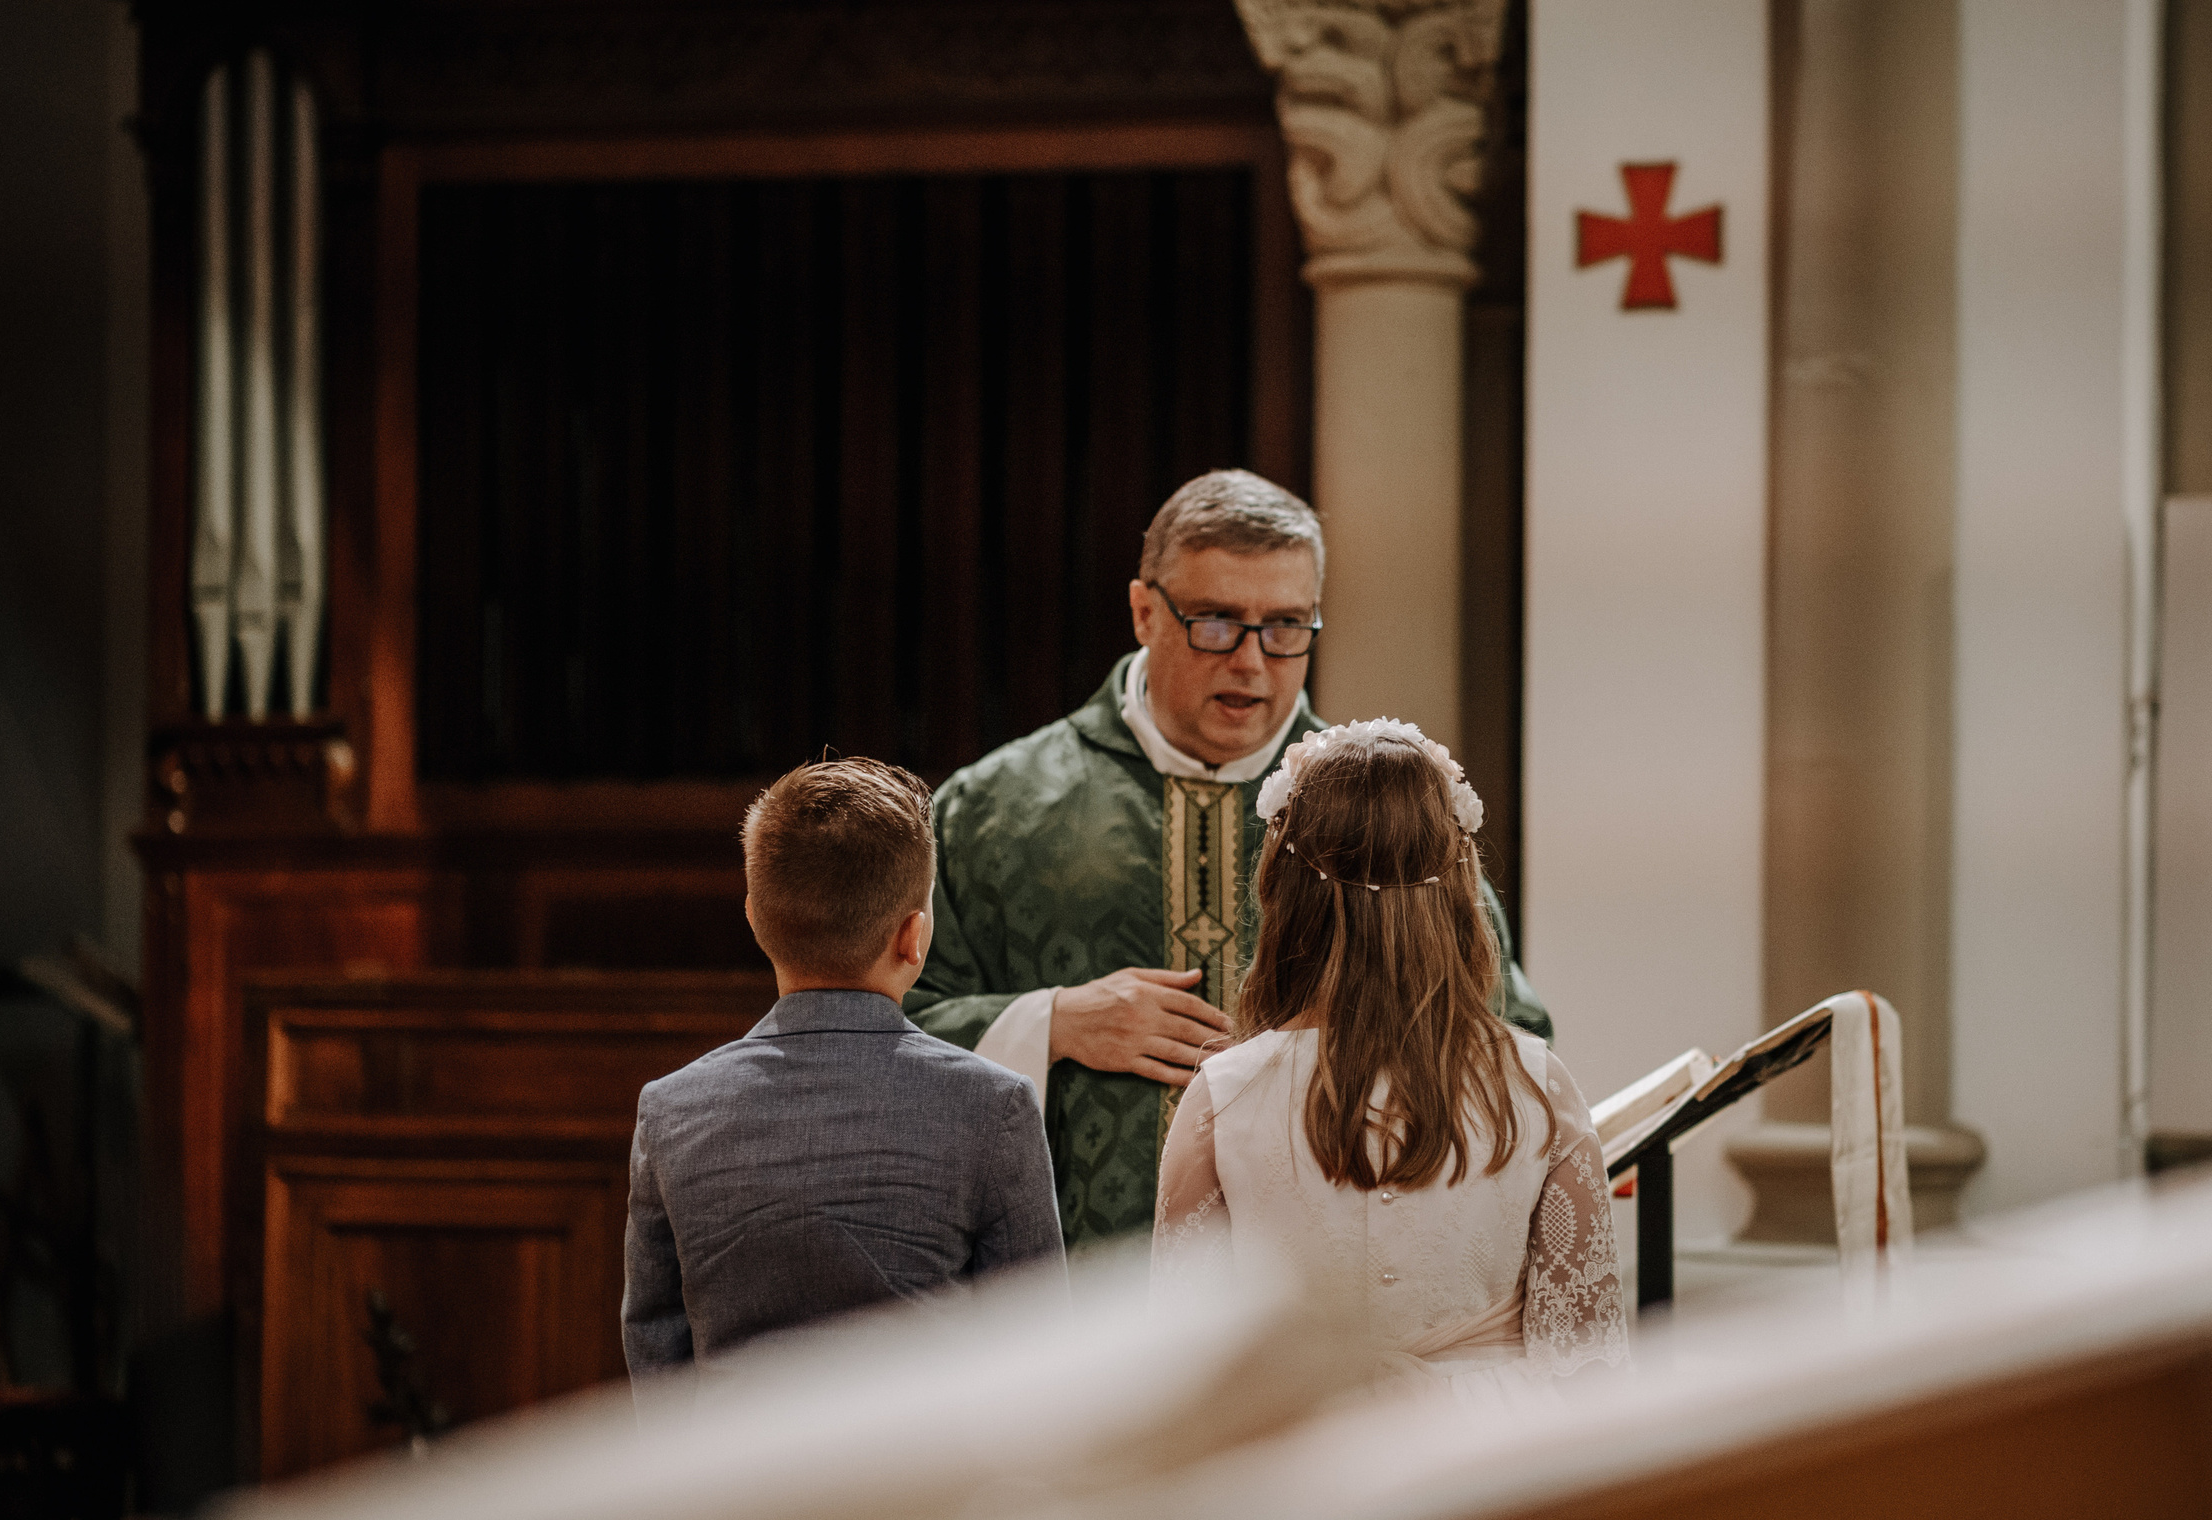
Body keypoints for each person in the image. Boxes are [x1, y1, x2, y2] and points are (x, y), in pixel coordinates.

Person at [905, 469, 1552, 1247]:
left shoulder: (1390, 810)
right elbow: (888, 1022)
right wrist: (1052, 1022)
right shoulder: (995, 810)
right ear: (1145, 610)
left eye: (1286, 626)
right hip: (1074, 1290)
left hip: (1324, 1286)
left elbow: (1501, 1023)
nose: (1251, 661)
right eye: (1216, 621)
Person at [1149, 720, 1627, 1401]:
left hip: (1307, 1453)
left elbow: (1184, 1367)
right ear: (1461, 889)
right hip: (1495, 1455)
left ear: (1286, 892)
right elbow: (1588, 1363)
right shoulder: (1537, 1084)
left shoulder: (1223, 1097)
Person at [622, 758, 1062, 1383]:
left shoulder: (671, 1110)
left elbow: (657, 1357)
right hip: (930, 1477)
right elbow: (1037, 1350)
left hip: (738, 1479)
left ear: (753, 918)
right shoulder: (993, 1105)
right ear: (914, 937)